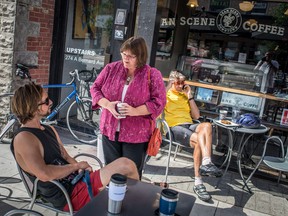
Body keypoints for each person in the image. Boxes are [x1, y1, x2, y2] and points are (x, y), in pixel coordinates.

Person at [11, 82, 139, 212]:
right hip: (67, 195)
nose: (51, 102)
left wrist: (80, 168)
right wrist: (76, 166)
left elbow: (65, 156)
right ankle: (137, 208)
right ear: (33, 108)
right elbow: (44, 174)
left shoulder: (49, 129)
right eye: (46, 101)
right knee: (125, 165)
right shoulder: (24, 138)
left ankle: (133, 208)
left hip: (79, 182)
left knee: (123, 179)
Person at [90, 36, 166, 177]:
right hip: (109, 131)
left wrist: (135, 111)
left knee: (131, 174)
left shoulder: (152, 74)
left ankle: (131, 199)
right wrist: (107, 104)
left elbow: (159, 101)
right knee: (111, 173)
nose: (126, 58)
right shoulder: (111, 69)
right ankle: (112, 199)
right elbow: (95, 88)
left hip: (136, 135)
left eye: (131, 56)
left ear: (141, 56)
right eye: (124, 54)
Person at [165, 70, 222, 202]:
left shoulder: (185, 95)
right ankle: (198, 182)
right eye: (178, 83)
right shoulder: (166, 94)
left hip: (188, 125)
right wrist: (168, 86)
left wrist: (189, 95)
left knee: (207, 125)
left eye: (182, 83)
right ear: (173, 82)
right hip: (174, 127)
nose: (180, 86)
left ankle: (206, 161)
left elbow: (196, 116)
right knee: (198, 139)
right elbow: (158, 102)